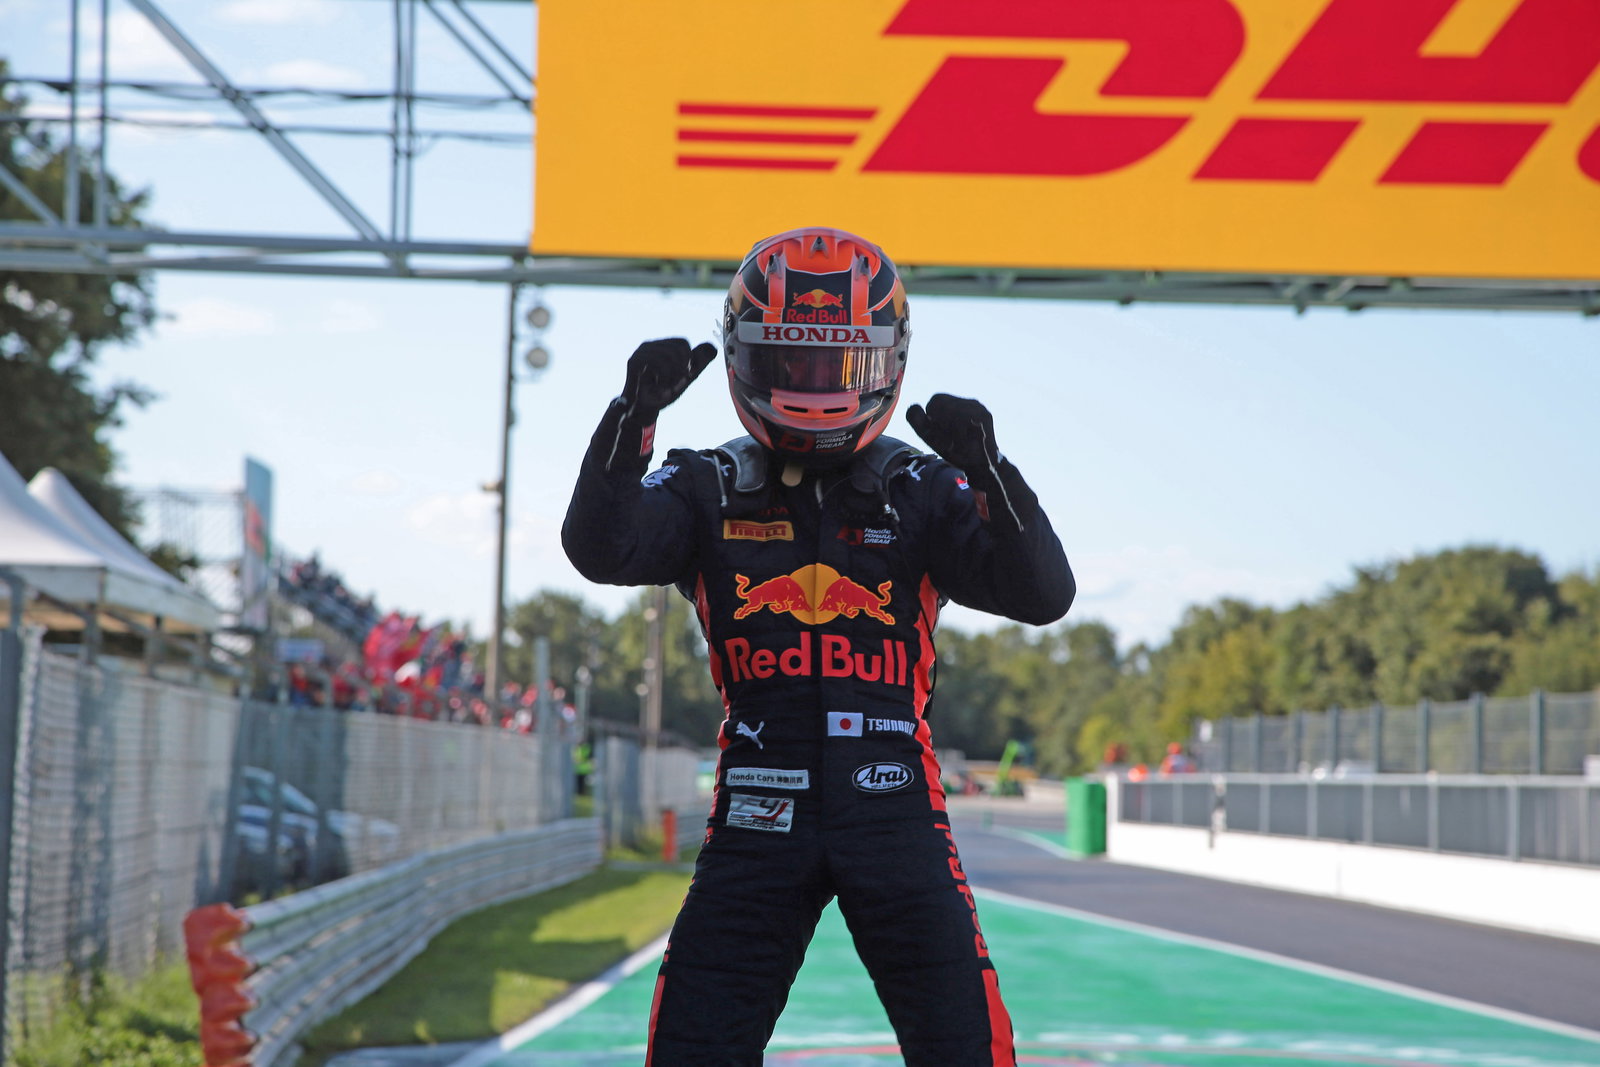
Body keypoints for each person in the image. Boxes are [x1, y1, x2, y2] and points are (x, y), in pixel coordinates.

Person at [561, 226, 1075, 1065]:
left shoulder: (922, 487)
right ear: (747, 358)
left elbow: (1043, 594)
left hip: (897, 810)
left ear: (885, 361)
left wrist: (993, 475)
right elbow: (599, 545)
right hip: (758, 810)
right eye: (795, 365)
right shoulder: (705, 483)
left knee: (968, 1047)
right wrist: (631, 421)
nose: (815, 390)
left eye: (840, 368)